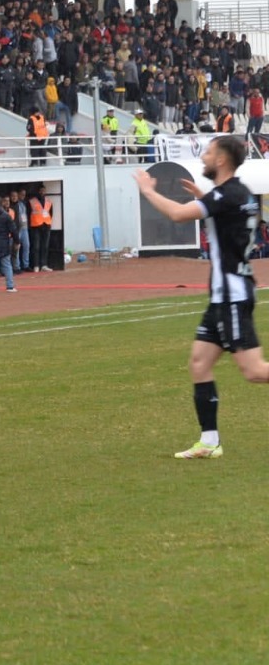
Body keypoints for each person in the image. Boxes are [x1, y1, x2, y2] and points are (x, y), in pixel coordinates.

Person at [135, 136, 269, 459]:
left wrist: (148, 191)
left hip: (232, 294)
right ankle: (209, 442)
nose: (205, 157)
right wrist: (206, 199)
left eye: (208, 152)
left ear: (222, 159)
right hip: (224, 295)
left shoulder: (225, 195)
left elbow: (180, 215)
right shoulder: (240, 193)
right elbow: (225, 215)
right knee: (199, 362)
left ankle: (209, 441)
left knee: (253, 371)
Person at [28, 188, 54, 272]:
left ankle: (44, 264)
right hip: (35, 225)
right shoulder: (31, 201)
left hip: (46, 225)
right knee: (36, 246)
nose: (42, 192)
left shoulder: (48, 201)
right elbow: (29, 213)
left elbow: (51, 213)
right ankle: (36, 265)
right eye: (40, 191)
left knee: (45, 246)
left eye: (43, 191)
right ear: (38, 191)